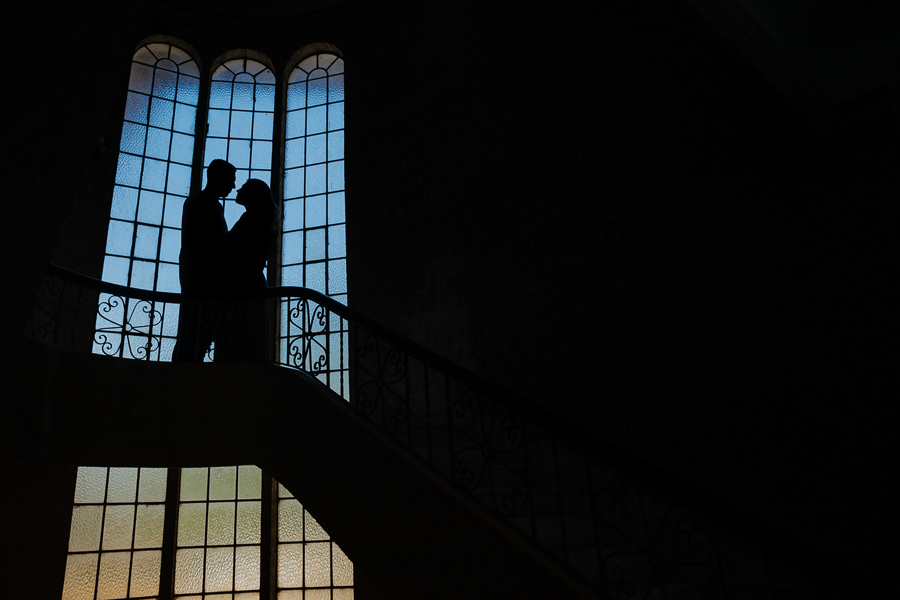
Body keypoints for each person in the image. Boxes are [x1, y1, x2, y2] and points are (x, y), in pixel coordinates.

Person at [173, 159, 236, 362]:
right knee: (193, 335)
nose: (233, 186)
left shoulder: (204, 202)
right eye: (231, 180)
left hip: (203, 283)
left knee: (197, 336)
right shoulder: (201, 202)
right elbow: (200, 246)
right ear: (218, 178)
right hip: (201, 283)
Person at [215, 178, 277, 362]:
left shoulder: (251, 220)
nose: (237, 188)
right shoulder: (258, 220)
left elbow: (232, 251)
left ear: (253, 195)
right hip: (248, 282)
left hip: (244, 284)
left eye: (243, 187)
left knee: (237, 340)